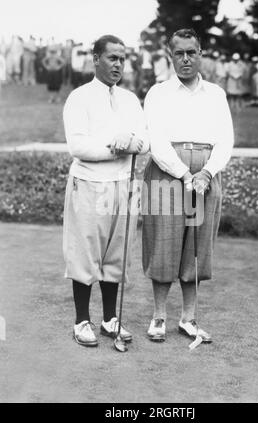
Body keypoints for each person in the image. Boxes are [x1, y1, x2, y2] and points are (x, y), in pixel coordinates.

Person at [142, 29, 234, 343]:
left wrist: (207, 173)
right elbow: (155, 141)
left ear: (200, 53)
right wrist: (184, 174)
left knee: (197, 248)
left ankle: (189, 318)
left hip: (206, 174)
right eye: (179, 53)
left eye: (191, 52)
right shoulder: (158, 93)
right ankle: (158, 317)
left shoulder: (216, 94)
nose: (185, 59)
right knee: (164, 244)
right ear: (170, 55)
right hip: (168, 172)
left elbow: (226, 140)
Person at [63, 34, 148, 347]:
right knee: (85, 253)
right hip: (89, 183)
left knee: (117, 254)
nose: (118, 65)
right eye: (112, 58)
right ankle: (81, 320)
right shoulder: (79, 97)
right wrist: (116, 146)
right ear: (95, 58)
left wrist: (134, 141)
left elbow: (145, 138)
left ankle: (110, 319)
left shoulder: (129, 99)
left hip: (123, 184)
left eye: (122, 59)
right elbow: (78, 145)